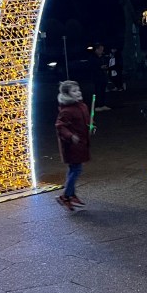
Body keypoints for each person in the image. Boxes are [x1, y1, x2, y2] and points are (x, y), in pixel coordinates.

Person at [54, 80, 89, 211]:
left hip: (79, 144)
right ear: (67, 94)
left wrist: (90, 126)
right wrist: (70, 136)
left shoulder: (81, 106)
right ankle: (66, 196)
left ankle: (70, 194)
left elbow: (84, 121)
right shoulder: (67, 110)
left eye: (78, 89)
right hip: (71, 146)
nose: (78, 92)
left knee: (73, 169)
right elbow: (60, 126)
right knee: (76, 169)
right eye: (74, 91)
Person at [91, 44, 111, 112]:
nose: (102, 51)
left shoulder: (102, 57)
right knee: (97, 91)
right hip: (97, 76)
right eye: (100, 49)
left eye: (102, 49)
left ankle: (102, 104)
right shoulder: (93, 57)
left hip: (103, 76)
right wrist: (100, 67)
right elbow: (92, 67)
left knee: (103, 91)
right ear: (97, 49)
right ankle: (97, 105)